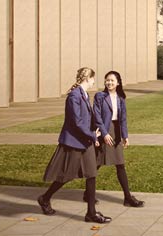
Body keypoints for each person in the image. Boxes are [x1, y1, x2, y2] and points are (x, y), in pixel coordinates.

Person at [36, 67, 111, 224]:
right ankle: (45, 198)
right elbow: (76, 122)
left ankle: (91, 213)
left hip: (85, 141)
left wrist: (93, 137)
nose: (93, 82)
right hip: (74, 142)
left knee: (91, 174)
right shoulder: (74, 96)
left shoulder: (83, 94)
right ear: (87, 78)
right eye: (92, 79)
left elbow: (85, 119)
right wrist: (92, 135)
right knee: (66, 175)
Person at [94, 70, 145, 207]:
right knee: (96, 163)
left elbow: (123, 119)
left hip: (116, 132)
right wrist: (104, 134)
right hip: (104, 131)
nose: (109, 82)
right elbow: (97, 117)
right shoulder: (100, 96)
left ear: (118, 82)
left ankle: (127, 197)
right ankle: (88, 194)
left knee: (120, 164)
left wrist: (125, 136)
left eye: (112, 80)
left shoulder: (121, 98)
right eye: (107, 80)